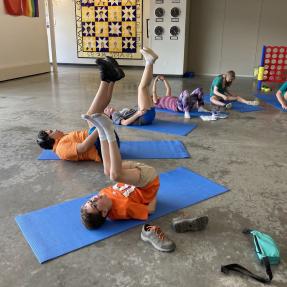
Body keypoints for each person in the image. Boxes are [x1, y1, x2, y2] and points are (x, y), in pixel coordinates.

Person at [36, 56, 124, 161]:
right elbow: (83, 147)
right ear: (51, 139)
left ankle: (112, 79)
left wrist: (99, 127)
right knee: (91, 115)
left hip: (106, 141)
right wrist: (100, 128)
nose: (55, 129)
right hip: (103, 148)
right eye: (51, 131)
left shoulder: (63, 138)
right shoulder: (61, 149)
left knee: (95, 113)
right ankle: (106, 78)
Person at [104, 47, 158, 126]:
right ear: (108, 116)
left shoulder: (118, 113)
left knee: (145, 87)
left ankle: (150, 61)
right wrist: (138, 114)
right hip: (143, 116)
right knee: (142, 88)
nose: (108, 107)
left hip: (147, 114)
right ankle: (149, 61)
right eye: (106, 110)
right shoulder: (114, 116)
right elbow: (124, 123)